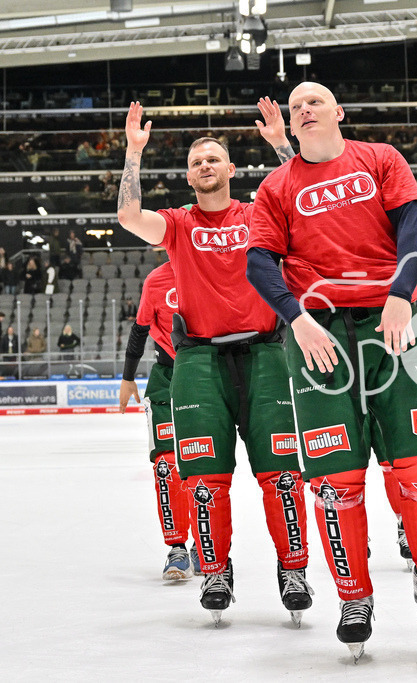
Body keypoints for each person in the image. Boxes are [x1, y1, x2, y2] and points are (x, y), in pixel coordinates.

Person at [246, 81, 417, 658]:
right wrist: (295, 319)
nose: (305, 109)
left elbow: (413, 231)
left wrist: (402, 294)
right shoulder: (275, 186)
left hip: (391, 320)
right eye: (297, 107)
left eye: (315, 101)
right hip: (318, 333)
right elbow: (259, 262)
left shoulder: (380, 159)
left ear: (339, 112)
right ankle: (354, 595)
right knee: (334, 476)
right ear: (290, 127)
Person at [117, 98, 313, 626]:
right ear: (188, 175)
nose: (206, 165)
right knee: (204, 479)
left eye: (214, 159)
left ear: (231, 170)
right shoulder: (178, 224)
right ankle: (215, 570)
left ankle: (293, 569)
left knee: (283, 476)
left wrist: (280, 143)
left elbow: (300, 195)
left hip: (266, 354)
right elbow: (128, 216)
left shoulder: (256, 215)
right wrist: (134, 153)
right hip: (198, 360)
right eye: (197, 161)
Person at [118, 261, 202, 580]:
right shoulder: (156, 280)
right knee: (166, 466)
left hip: (204, 377)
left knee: (203, 465)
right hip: (166, 379)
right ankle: (178, 548)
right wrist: (128, 378)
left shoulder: (213, 267)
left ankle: (203, 541)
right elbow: (140, 330)